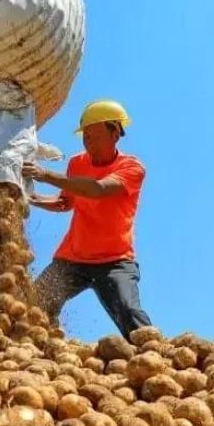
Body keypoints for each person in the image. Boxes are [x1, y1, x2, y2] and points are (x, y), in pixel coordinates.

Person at [21, 99, 154, 337]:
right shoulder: (77, 163)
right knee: (33, 307)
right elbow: (65, 203)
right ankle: (43, 351)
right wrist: (30, 199)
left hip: (115, 262)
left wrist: (45, 174)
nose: (88, 142)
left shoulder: (132, 168)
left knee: (128, 311)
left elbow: (99, 189)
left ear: (115, 132)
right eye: (85, 136)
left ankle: (158, 357)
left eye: (94, 135)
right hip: (72, 260)